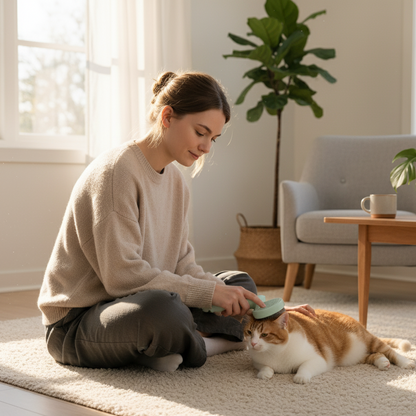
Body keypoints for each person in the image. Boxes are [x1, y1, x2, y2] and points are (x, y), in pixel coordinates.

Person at [38, 71, 315, 373]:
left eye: (213, 138)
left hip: (142, 299)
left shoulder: (176, 182)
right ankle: (207, 344)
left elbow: (183, 265)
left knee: (238, 283)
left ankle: (168, 347)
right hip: (78, 323)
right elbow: (122, 277)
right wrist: (209, 294)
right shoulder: (118, 172)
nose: (207, 147)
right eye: (201, 132)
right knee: (163, 311)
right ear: (168, 116)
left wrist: (261, 308)